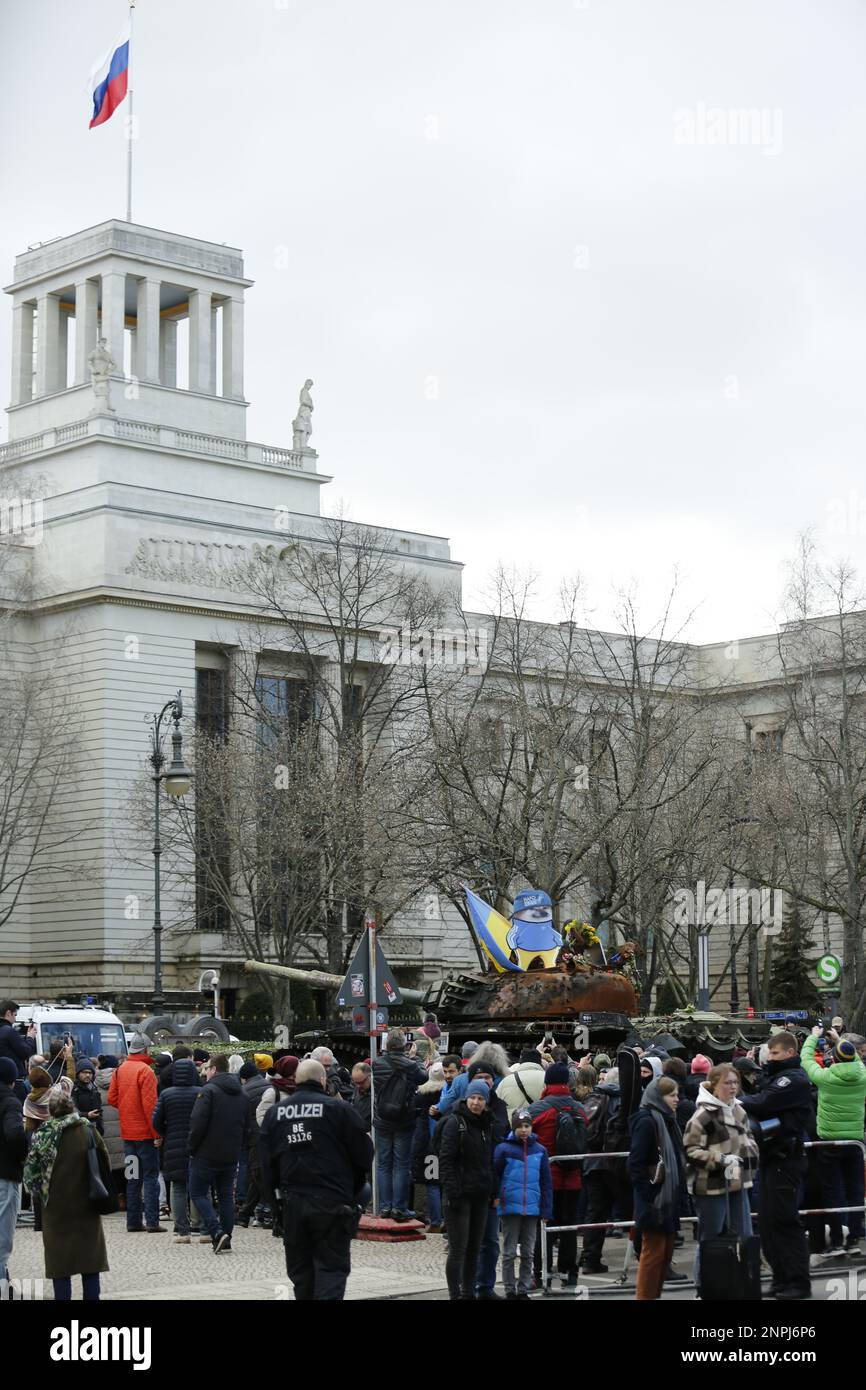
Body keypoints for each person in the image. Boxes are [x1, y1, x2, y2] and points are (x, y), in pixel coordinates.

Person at [260, 1057, 373, 1300]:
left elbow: (265, 1167)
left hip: (292, 1202)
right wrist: (351, 1190)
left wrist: (276, 1208)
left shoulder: (275, 1114)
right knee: (331, 1270)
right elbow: (364, 1155)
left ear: (295, 1080)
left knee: (301, 1274)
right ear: (322, 1080)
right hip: (332, 1201)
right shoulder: (339, 1110)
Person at [738, 1030, 812, 1300]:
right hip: (772, 1158)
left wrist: (736, 1101)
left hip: (786, 1159)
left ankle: (797, 1281)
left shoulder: (793, 1079)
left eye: (776, 1053)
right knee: (768, 1223)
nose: (771, 1057)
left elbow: (764, 1102)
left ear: (790, 1053)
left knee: (784, 1222)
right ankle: (781, 1277)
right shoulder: (776, 1077)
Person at [23, 1087, 111, 1301]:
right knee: (90, 1260)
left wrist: (39, 1194)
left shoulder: (43, 1134)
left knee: (59, 1263)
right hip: (87, 1202)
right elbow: (104, 1161)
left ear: (50, 1111)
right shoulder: (87, 1129)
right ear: (71, 1106)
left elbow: (30, 1175)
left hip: (55, 1207)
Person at [683, 1064, 758, 1285]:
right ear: (715, 1086)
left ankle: (740, 1283)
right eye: (727, 1082)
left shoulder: (739, 1110)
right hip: (711, 1186)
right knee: (711, 1238)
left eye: (735, 1082)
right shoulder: (702, 1115)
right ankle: (703, 1285)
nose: (733, 1087)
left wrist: (751, 1151)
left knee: (744, 1235)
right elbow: (691, 1151)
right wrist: (721, 1159)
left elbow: (748, 1136)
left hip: (739, 1181)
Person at [801, 1026, 866, 1259]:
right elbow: (856, 1062)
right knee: (856, 1190)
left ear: (834, 1058)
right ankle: (854, 1239)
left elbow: (806, 1059)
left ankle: (837, 1241)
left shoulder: (825, 1078)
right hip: (855, 1141)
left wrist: (813, 1036)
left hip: (828, 1143)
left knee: (833, 1192)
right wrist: (840, 1041)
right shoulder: (862, 1075)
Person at [627, 1076, 688, 1300]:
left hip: (667, 1197)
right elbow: (635, 1164)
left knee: (663, 1254)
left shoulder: (667, 1120)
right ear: (658, 1097)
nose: (677, 1099)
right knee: (653, 1256)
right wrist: (649, 1195)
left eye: (677, 1094)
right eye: (671, 1095)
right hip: (655, 1199)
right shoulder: (647, 1121)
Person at [527, 1062, 587, 1287]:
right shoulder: (579, 1108)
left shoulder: (539, 1109)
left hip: (546, 1179)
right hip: (573, 1179)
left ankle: (540, 1274)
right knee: (569, 1228)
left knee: (544, 1229)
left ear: (547, 1082)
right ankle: (569, 1274)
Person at [439, 1079, 496, 1299]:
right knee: (458, 1250)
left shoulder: (486, 1124)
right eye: (472, 1097)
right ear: (466, 1098)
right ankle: (456, 1294)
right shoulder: (455, 1123)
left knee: (474, 1249)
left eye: (480, 1099)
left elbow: (488, 1160)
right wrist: (452, 1191)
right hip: (459, 1196)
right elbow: (446, 1160)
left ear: (486, 1102)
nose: (475, 1102)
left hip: (480, 1194)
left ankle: (468, 1293)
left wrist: (492, 1190)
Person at [187, 1052, 249, 1254]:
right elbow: (247, 1125)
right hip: (231, 1153)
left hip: (206, 1152)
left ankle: (216, 1231)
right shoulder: (241, 1093)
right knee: (225, 1197)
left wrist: (192, 1147)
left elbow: (197, 1123)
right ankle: (227, 1238)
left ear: (214, 1069)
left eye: (207, 1069)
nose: (205, 1072)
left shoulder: (209, 1091)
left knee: (197, 1191)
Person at [107, 1034, 165, 1234]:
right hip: (145, 1136)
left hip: (128, 1134)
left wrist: (126, 1107)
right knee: (150, 1176)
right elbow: (151, 1107)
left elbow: (112, 1098)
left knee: (132, 1177)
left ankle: (133, 1221)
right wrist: (157, 1133)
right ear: (146, 1050)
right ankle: (152, 1221)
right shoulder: (146, 1071)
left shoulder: (120, 1069)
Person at [494, 1107, 553, 1300]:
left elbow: (546, 1182)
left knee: (528, 1251)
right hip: (510, 1206)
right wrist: (496, 1197)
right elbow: (496, 1176)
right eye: (520, 1127)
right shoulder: (504, 1149)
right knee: (509, 1251)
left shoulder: (540, 1150)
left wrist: (546, 1208)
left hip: (533, 1208)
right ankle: (510, 1288)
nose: (524, 1130)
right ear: (514, 1128)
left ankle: (523, 1288)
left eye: (527, 1126)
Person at [579, 1064, 632, 1274]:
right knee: (633, 1210)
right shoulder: (624, 1100)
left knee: (595, 1212)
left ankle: (590, 1259)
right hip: (615, 1163)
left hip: (592, 1163)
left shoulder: (593, 1098)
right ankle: (646, 1256)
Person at [372, 1028, 427, 1221]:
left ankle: (385, 1207)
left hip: (382, 1119)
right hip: (404, 1119)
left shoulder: (377, 1064)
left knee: (383, 1164)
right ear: (404, 1045)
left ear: (387, 1045)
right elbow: (424, 1077)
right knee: (402, 1164)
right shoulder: (411, 1065)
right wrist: (416, 1058)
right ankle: (400, 1208)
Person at [151, 1057, 202, 1243]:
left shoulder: (167, 1094)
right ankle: (198, 1224)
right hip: (197, 1144)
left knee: (177, 1187)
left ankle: (182, 1229)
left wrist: (167, 1132)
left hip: (172, 1143)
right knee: (197, 1186)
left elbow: (156, 1120)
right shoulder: (201, 1093)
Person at [236, 1060, 273, 1228]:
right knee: (256, 1176)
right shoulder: (269, 1086)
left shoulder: (243, 1092)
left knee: (257, 1175)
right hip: (269, 1136)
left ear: (243, 1078)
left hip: (254, 1137)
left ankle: (272, 1210)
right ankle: (245, 1213)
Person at [0, 1057, 26, 1285]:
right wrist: (23, 1155)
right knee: (2, 1237)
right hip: (5, 1173)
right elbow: (16, 1134)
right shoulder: (10, 1102)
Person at [413, 1061, 445, 1231]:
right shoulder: (448, 1094)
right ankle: (446, 1220)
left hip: (427, 1145)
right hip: (445, 1143)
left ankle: (435, 1221)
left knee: (432, 1183)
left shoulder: (420, 1095)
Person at [94, 1056, 125, 1208]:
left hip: (104, 1129)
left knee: (109, 1165)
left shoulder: (94, 1083)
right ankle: (124, 1196)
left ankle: (114, 1197)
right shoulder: (121, 1080)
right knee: (126, 1165)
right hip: (121, 1128)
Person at [496, 1048, 548, 1122]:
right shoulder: (547, 1079)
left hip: (515, 1128)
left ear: (521, 1061)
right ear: (540, 1062)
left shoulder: (505, 1081)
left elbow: (496, 1106)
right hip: (541, 1127)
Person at [0, 1001, 36, 1093]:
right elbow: (25, 1052)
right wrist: (30, 1037)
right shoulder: (9, 1031)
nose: (15, 1019)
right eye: (15, 1015)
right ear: (8, 1013)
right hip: (13, 1082)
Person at [72, 1058, 103, 1133]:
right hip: (80, 1129)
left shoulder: (94, 1088)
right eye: (84, 1072)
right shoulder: (74, 1089)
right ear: (78, 1073)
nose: (87, 1075)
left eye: (90, 1073)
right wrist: (86, 1115)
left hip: (96, 1128)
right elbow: (72, 1112)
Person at [350, 1062, 373, 1132]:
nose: (358, 1086)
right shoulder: (357, 1087)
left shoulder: (377, 1092)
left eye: (361, 1082)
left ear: (370, 1076)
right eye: (355, 1083)